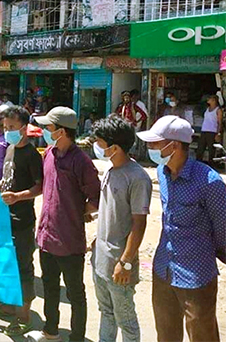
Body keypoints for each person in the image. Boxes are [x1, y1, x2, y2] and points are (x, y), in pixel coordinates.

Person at [136, 115, 225, 342]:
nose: (150, 148)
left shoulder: (209, 182)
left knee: (202, 336)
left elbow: (224, 231)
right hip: (164, 270)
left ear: (173, 145)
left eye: (155, 143)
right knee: (165, 335)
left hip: (196, 277)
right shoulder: (161, 173)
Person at [32, 106, 101, 342]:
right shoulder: (49, 154)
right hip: (46, 237)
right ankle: (50, 331)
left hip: (70, 241)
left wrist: (76, 213)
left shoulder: (81, 162)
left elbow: (95, 199)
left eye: (49, 127)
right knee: (50, 289)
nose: (45, 131)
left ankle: (77, 337)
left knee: (75, 294)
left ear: (61, 131)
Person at [0, 105, 43, 336]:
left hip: (23, 220)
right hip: (4, 220)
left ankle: (24, 316)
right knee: (7, 264)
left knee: (23, 267)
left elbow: (39, 187)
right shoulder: (9, 149)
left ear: (25, 128)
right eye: (5, 127)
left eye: (12, 127)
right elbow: (6, 181)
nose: (8, 132)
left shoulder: (32, 155)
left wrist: (18, 197)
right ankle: (9, 305)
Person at [90, 114, 153, 342]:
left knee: (125, 320)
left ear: (114, 147)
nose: (96, 147)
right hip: (100, 261)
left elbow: (139, 223)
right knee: (106, 313)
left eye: (100, 143)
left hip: (119, 266)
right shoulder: (110, 170)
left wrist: (125, 262)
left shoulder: (137, 178)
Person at [196, 95, 223, 166]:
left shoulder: (218, 110)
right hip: (204, 130)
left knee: (211, 150)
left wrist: (218, 133)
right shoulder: (207, 109)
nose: (208, 100)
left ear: (214, 100)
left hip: (212, 131)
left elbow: (219, 122)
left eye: (210, 99)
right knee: (200, 149)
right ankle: (198, 164)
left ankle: (211, 165)